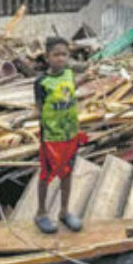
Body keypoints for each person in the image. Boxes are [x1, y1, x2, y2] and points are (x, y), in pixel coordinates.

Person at [33, 36, 87, 234]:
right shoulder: (41, 82)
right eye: (56, 55)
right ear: (47, 57)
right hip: (51, 138)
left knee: (67, 173)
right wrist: (21, 120)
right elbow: (38, 110)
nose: (60, 59)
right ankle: (41, 213)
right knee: (46, 176)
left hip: (70, 134)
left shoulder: (70, 75)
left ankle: (64, 212)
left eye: (64, 54)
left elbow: (70, 89)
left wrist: (87, 78)